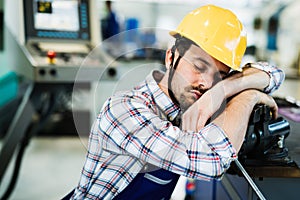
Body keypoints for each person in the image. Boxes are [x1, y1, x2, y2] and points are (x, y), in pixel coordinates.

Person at [70, 5, 285, 200]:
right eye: (199, 67)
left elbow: (274, 74)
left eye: (219, 75)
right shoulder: (124, 110)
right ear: (170, 58)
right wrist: (248, 96)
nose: (206, 83)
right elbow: (212, 160)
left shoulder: (197, 101)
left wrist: (225, 89)